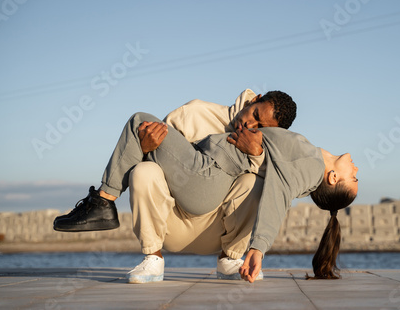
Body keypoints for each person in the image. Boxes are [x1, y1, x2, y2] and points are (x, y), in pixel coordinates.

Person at [129, 113, 358, 282]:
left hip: (212, 223)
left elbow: (278, 194)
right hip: (171, 223)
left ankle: (230, 259)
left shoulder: (313, 168)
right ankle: (153, 258)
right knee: (144, 172)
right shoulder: (307, 155)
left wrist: (258, 248)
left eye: (354, 179)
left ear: (334, 177)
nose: (356, 171)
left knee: (254, 184)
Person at [53, 89, 296, 232]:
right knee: (145, 135)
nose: (249, 125)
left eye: (260, 127)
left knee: (139, 119)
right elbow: (162, 158)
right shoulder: (197, 113)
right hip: (173, 218)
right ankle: (151, 256)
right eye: (254, 115)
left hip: (217, 226)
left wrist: (257, 154)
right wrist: (147, 150)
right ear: (256, 99)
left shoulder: (264, 148)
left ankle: (103, 203)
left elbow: (279, 184)